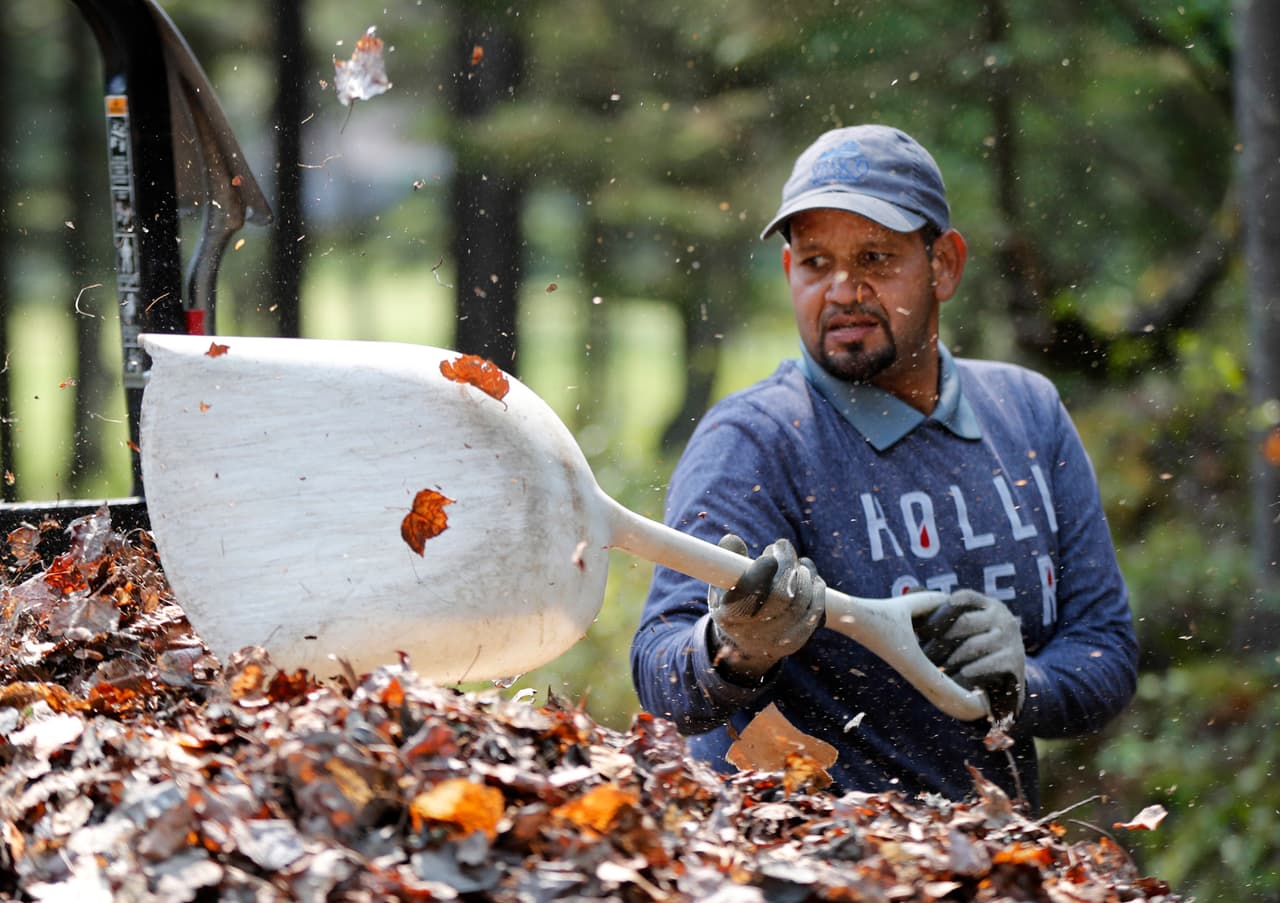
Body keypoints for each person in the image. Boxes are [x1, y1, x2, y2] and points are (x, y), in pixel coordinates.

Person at [629, 124, 1138, 809]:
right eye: (815, 262)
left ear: (945, 265)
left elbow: (1105, 649)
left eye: (875, 257)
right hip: (789, 863)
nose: (843, 289)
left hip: (989, 865)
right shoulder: (754, 440)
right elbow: (659, 667)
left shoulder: (1029, 413)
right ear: (789, 274)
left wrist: (1026, 686)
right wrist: (734, 648)